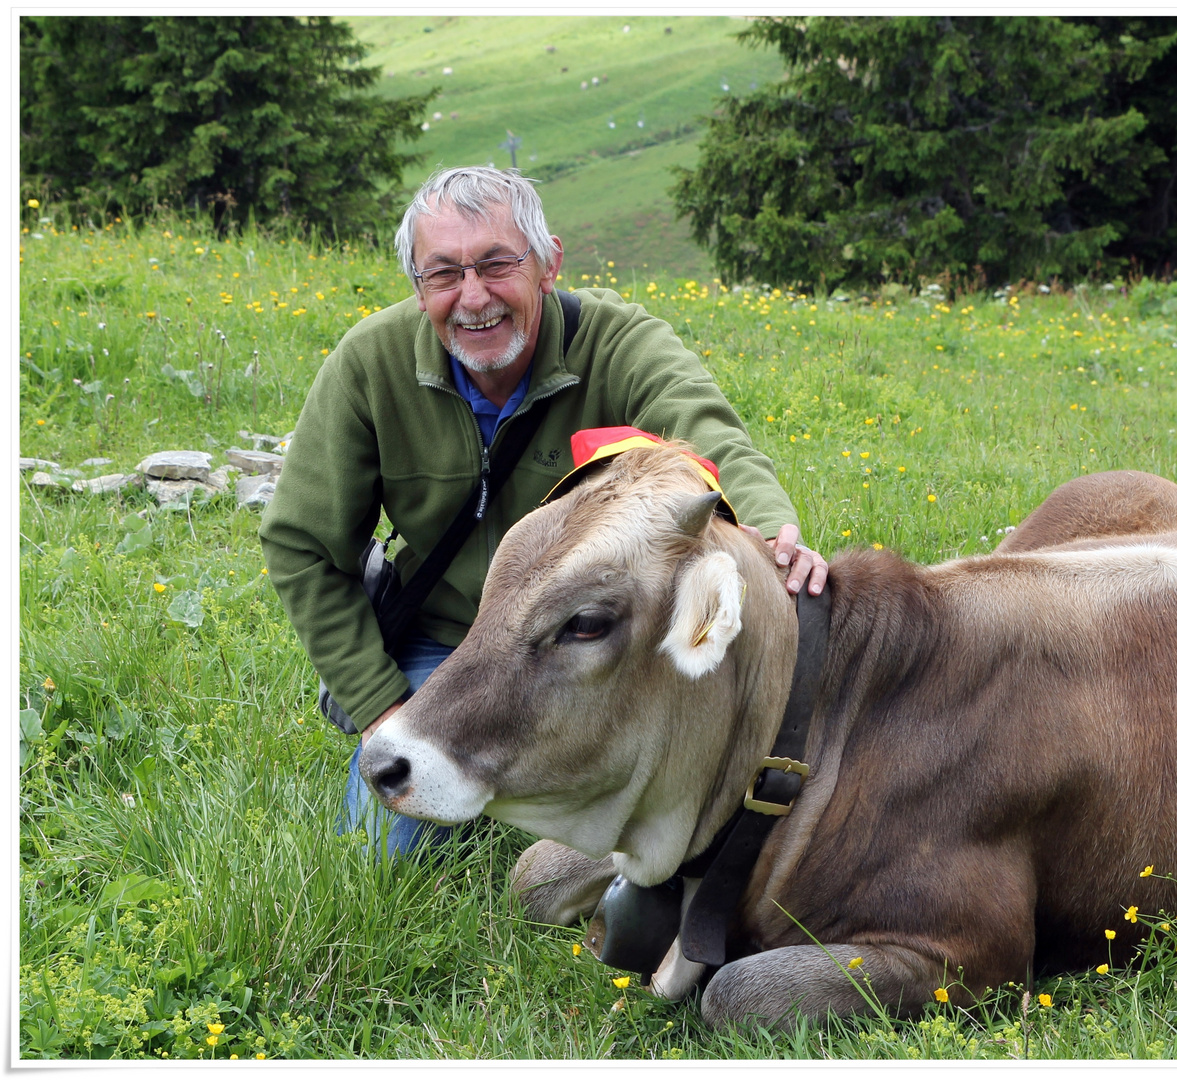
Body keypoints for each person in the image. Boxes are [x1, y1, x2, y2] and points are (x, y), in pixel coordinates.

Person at [259, 166, 826, 857]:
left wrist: (766, 531)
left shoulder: (618, 343)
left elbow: (707, 435)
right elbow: (300, 544)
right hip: (449, 645)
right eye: (443, 274)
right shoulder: (367, 367)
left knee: (684, 816)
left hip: (588, 644)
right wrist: (380, 700)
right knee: (390, 850)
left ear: (549, 263)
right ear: (417, 286)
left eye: (497, 265)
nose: (473, 298)